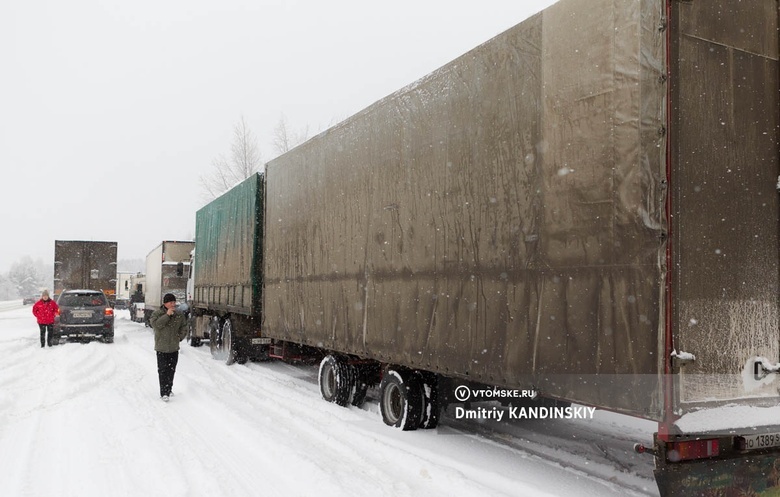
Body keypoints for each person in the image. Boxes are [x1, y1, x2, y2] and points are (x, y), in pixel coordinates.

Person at [150, 293, 187, 402]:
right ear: (165, 303)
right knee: (162, 370)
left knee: (171, 370)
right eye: (170, 302)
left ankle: (169, 389)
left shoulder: (179, 315)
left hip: (174, 348)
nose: (173, 304)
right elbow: (156, 325)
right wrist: (167, 315)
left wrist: (179, 337)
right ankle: (164, 392)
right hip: (161, 348)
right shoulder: (157, 314)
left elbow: (184, 327)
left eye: (174, 302)